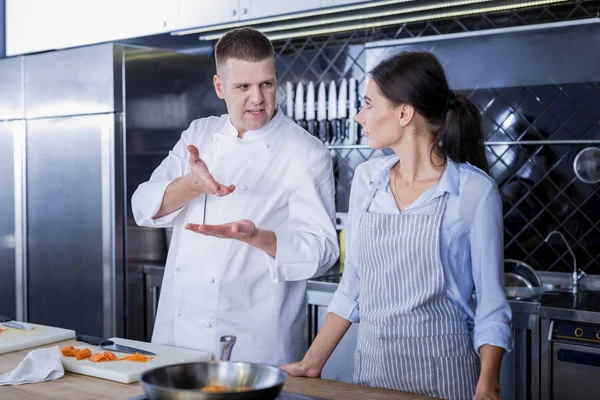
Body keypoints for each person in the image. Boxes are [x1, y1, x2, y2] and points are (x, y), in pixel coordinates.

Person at [281, 52, 512, 400]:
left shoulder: (473, 191)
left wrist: (487, 385)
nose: (360, 116)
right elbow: (353, 286)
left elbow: (492, 304)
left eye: (369, 104)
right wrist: (312, 362)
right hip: (372, 373)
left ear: (404, 113)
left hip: (444, 378)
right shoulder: (367, 180)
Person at [131, 27, 339, 365]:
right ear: (220, 86)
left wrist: (260, 238)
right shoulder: (200, 133)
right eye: (243, 87)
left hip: (254, 340)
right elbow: (142, 207)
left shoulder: (306, 152)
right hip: (177, 337)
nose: (257, 98)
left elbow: (323, 250)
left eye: (266, 84)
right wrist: (193, 185)